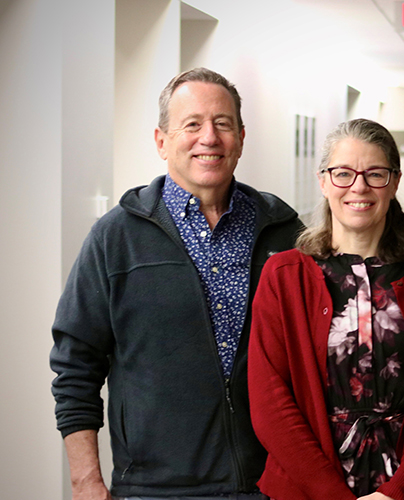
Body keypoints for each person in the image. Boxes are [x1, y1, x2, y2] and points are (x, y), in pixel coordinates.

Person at [50, 67, 303, 499]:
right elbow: (76, 364)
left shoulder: (284, 232)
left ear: (241, 137)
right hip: (155, 487)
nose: (209, 137)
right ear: (161, 140)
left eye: (223, 124)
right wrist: (86, 481)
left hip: (273, 482)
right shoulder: (116, 238)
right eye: (192, 124)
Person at [247, 118, 404, 500]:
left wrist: (397, 492)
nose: (359, 187)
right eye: (343, 173)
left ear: (394, 182)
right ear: (323, 181)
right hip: (306, 489)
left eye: (375, 174)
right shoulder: (282, 277)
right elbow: (270, 403)